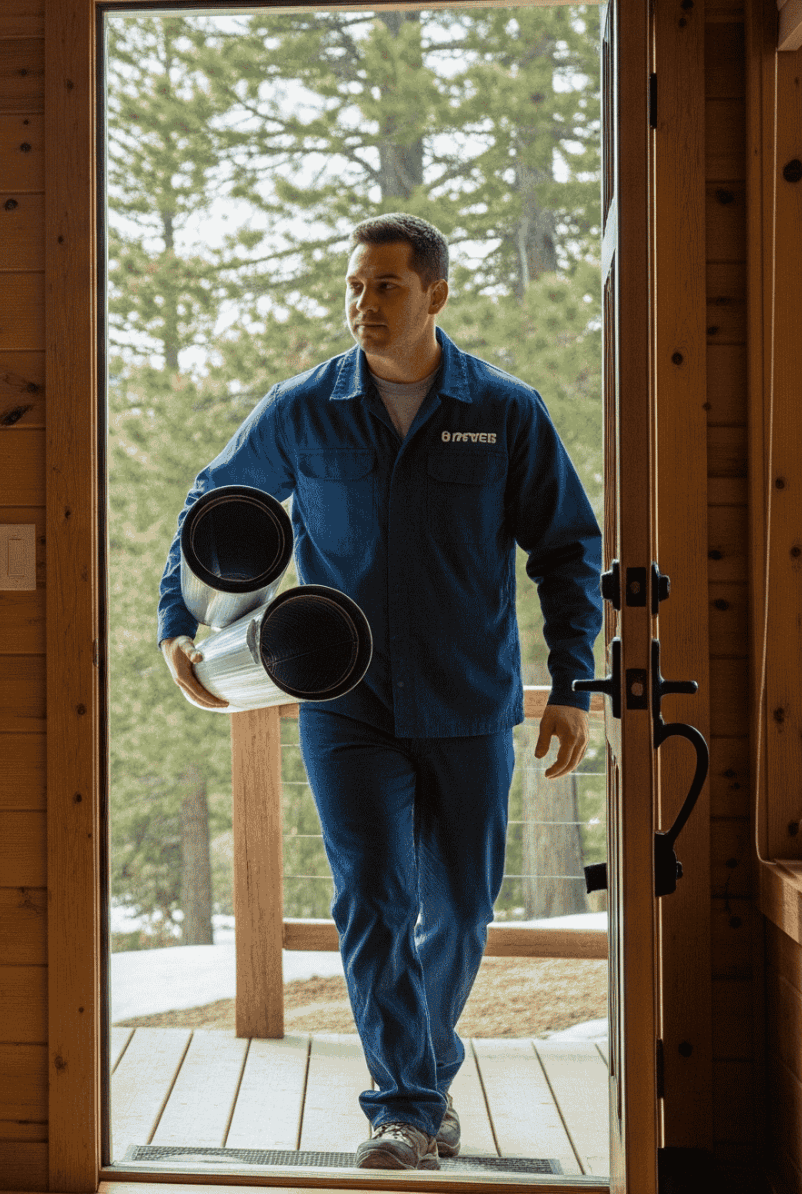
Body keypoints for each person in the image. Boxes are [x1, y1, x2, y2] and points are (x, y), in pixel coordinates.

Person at [156, 213, 603, 1171]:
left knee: (462, 906)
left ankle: (426, 1069)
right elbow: (212, 510)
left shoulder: (505, 410)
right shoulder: (303, 408)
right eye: (356, 285)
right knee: (371, 899)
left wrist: (574, 679)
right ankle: (402, 1106)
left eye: (386, 286)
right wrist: (177, 624)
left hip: (469, 698)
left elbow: (567, 546)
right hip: (344, 702)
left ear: (435, 295)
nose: (364, 303)